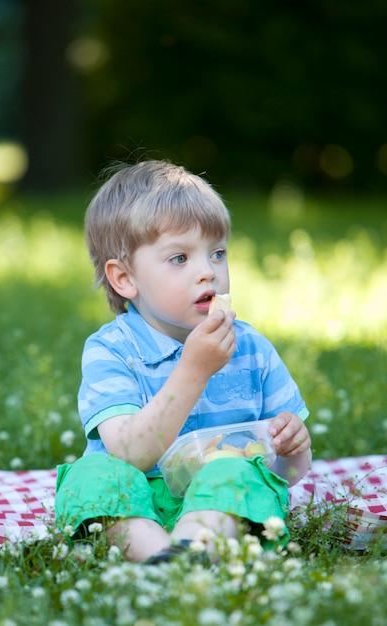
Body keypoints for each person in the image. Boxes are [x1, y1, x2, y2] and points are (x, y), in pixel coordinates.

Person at [55, 159, 312, 563]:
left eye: (217, 253)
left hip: (218, 496)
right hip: (138, 499)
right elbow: (130, 454)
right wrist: (193, 369)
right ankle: (160, 558)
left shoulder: (250, 348)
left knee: (239, 474)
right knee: (93, 477)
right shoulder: (112, 351)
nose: (207, 273)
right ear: (125, 279)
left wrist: (294, 446)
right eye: (180, 259)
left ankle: (191, 549)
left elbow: (284, 476)